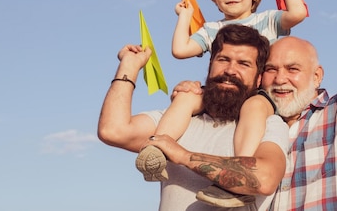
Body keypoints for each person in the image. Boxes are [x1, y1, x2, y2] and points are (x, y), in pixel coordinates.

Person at [174, 0, 337, 210]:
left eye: (292, 69)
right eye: (271, 69)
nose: (281, 79)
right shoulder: (250, 126)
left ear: (316, 76)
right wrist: (192, 93)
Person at [136, 0, 307, 207]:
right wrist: (185, 16)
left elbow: (298, 12)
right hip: (222, 91)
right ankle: (158, 148)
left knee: (254, 107)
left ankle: (239, 181)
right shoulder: (212, 29)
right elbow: (180, 50)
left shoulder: (267, 20)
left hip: (254, 94)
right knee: (186, 96)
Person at [98, 24, 289, 211]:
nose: (230, 70)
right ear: (210, 65)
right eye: (223, 59)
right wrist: (129, 66)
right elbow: (113, 131)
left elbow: (265, 179)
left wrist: (182, 155)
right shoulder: (180, 117)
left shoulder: (268, 124)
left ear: (258, 79)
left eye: (243, 64)